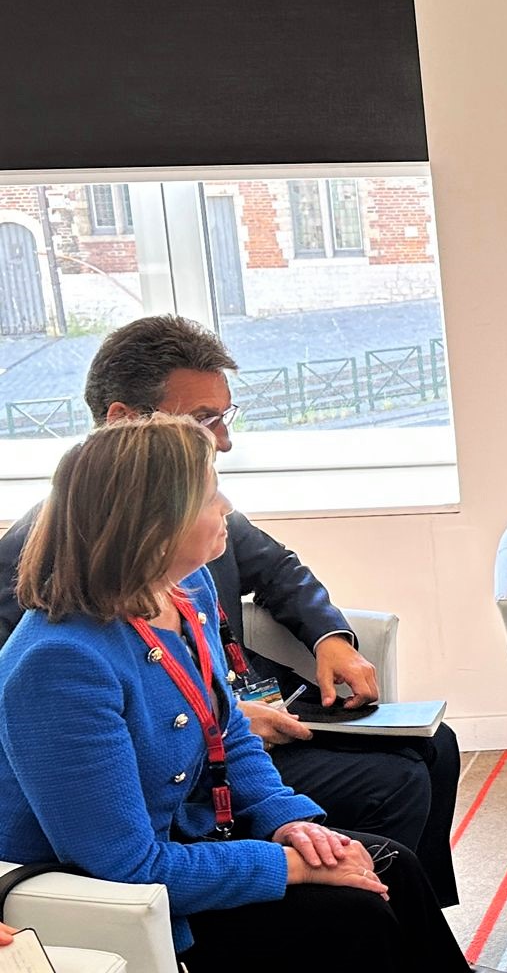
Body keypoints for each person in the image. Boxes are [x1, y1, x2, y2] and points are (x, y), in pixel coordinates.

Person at [0, 316, 462, 908]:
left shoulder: (188, 560)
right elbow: (54, 725)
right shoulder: (54, 572)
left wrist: (331, 638)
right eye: (203, 420)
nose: (224, 440)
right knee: (392, 796)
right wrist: (213, 718)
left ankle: (408, 912)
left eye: (224, 417)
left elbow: (278, 570)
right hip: (171, 779)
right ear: (124, 421)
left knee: (434, 747)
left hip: (235, 725)